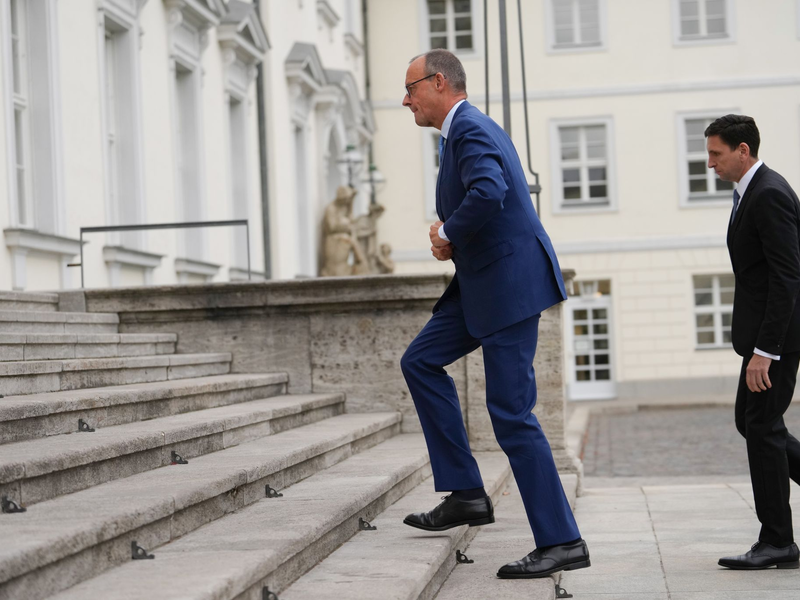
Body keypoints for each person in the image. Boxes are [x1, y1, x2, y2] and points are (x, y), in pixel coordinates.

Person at [398, 49, 589, 579]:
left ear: (439, 82)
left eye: (411, 88)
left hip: (507, 288)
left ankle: (562, 540)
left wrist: (448, 233)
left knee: (511, 414)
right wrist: (455, 241)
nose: (407, 99)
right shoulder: (461, 131)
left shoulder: (471, 129)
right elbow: (486, 197)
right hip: (484, 284)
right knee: (420, 361)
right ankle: (465, 493)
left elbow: (490, 190)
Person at [708, 115, 800, 570]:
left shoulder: (768, 194)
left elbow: (787, 276)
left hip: (775, 338)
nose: (710, 163)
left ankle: (777, 542)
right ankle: (778, 540)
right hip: (764, 336)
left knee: (762, 428)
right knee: (753, 423)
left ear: (743, 150)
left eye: (716, 154)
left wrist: (766, 351)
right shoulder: (750, 192)